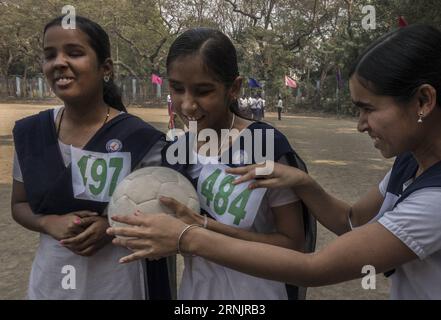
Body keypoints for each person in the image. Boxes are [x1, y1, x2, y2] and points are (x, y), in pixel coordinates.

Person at [108, 25, 441, 299]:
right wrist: (303, 182)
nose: (360, 124)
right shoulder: (410, 164)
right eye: (177, 89)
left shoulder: (434, 200)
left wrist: (188, 234)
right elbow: (350, 221)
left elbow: (314, 266)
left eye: (368, 108)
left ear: (423, 101)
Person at [109, 27, 316, 300]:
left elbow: (292, 243)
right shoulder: (177, 150)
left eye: (203, 91)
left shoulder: (265, 145)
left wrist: (201, 231)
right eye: (177, 88)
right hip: (196, 293)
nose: (187, 105)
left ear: (234, 88)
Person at [11, 16, 172, 299]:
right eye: (50, 55)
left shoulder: (141, 139)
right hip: (51, 284)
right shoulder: (31, 134)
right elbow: (20, 204)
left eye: (74, 53)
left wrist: (111, 227)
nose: (59, 62)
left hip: (118, 285)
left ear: (105, 67)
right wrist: (47, 223)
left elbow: (163, 215)